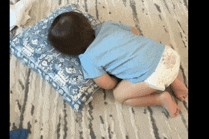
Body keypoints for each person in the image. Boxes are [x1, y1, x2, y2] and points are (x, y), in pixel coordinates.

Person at [48, 12, 188, 117]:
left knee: (119, 95)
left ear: (71, 52)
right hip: (168, 54)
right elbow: (134, 31)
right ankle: (174, 80)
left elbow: (108, 84)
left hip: (156, 75)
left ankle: (160, 98)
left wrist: (117, 77)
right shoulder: (107, 26)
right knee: (153, 59)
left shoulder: (87, 59)